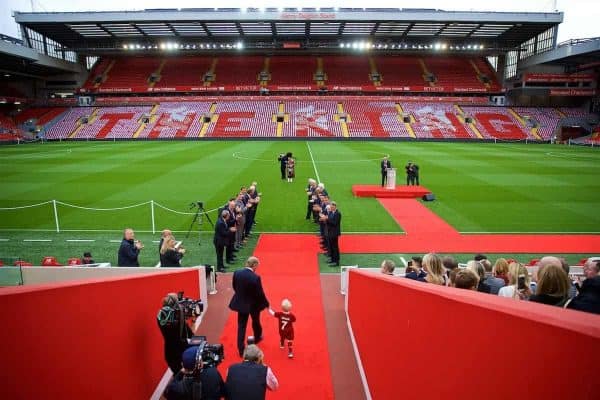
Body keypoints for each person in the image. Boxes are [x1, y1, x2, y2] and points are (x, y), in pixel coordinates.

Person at [229, 256, 270, 357]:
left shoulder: (237, 273)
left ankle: (241, 349)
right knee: (255, 321)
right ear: (254, 265)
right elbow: (260, 293)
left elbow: (234, 286)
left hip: (241, 304)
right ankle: (257, 337)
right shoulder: (255, 277)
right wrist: (266, 303)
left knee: (241, 326)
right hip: (253, 304)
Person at [157, 293, 193, 374]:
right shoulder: (179, 316)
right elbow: (190, 334)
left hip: (170, 352)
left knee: (178, 375)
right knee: (188, 374)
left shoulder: (160, 317)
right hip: (183, 350)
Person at [326, 201, 341, 267]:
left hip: (334, 233)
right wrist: (325, 219)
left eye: (332, 207)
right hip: (330, 232)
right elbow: (329, 221)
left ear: (335, 207)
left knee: (335, 247)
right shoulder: (330, 212)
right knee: (331, 246)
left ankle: (336, 261)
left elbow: (334, 223)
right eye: (331, 207)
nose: (331, 208)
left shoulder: (338, 214)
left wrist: (327, 219)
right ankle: (332, 259)